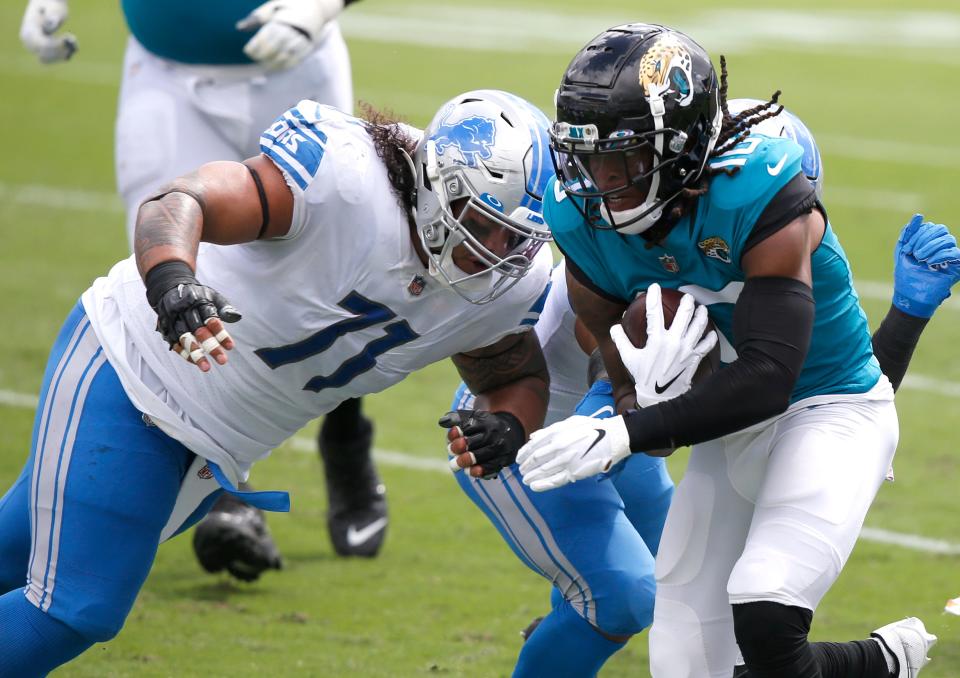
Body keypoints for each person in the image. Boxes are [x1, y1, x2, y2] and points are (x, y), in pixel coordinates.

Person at [0, 89, 556, 676]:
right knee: (76, 608)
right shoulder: (346, 179)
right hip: (138, 369)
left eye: (515, 237)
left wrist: (508, 425)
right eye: (482, 223)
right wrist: (172, 280)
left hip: (219, 447)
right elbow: (179, 201)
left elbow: (515, 373)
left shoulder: (511, 287)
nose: (495, 251)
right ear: (438, 185)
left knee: (13, 552)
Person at [447, 94, 960, 677]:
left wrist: (908, 316)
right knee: (686, 662)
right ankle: (882, 662)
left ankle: (877, 662)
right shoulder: (640, 235)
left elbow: (821, 384)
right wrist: (641, 402)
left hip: (816, 416)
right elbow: (652, 423)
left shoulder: (770, 216)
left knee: (765, 604)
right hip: (732, 432)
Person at [19, 0, 385, 570]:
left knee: (333, 267)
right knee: (170, 269)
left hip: (294, 65)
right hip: (165, 72)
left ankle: (345, 437)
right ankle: (223, 493)